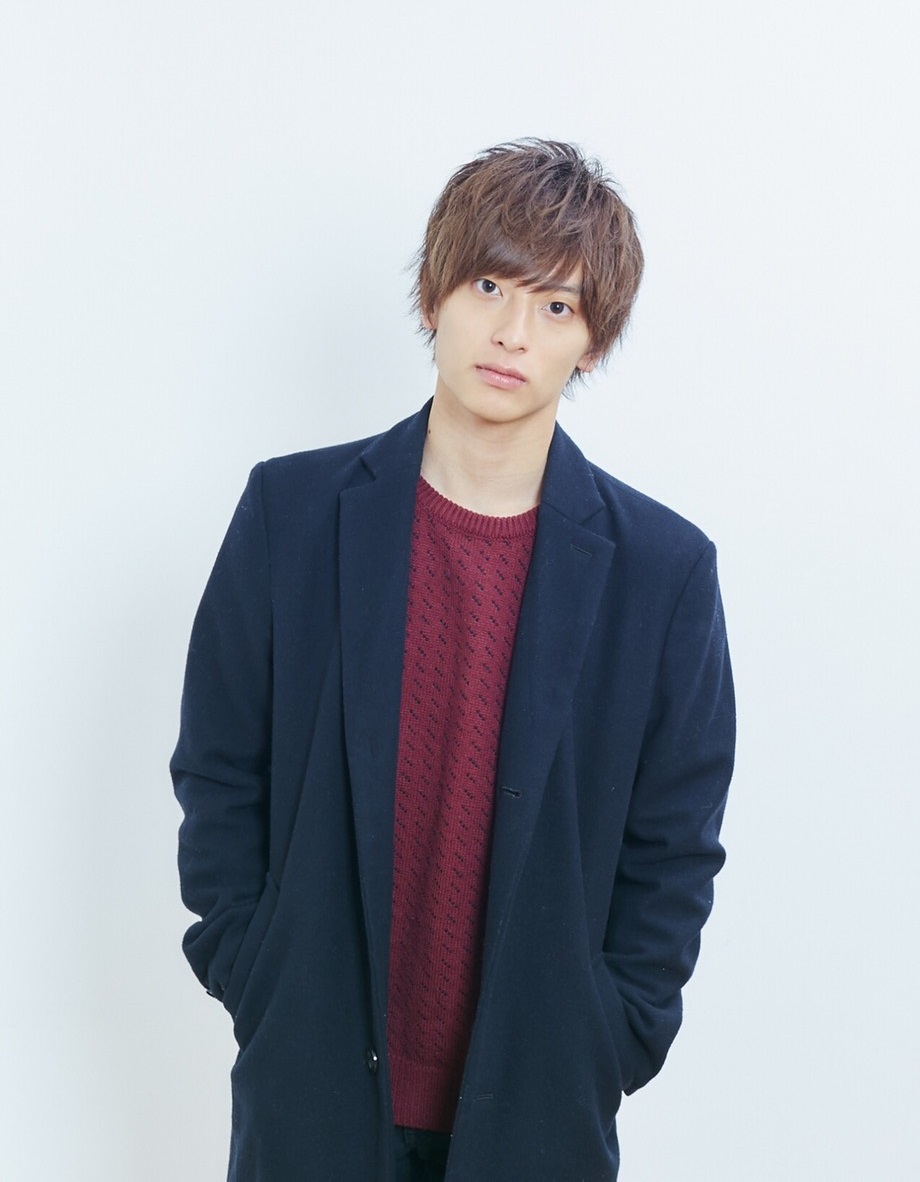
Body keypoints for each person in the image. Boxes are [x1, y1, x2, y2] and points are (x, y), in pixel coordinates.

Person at [171, 138, 735, 1181]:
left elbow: (674, 845)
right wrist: (251, 963)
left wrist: (613, 1029)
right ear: (435, 294)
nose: (513, 332)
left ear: (593, 344)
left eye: (557, 306)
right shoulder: (291, 514)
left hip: (540, 1095)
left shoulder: (662, 573)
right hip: (312, 1074)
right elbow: (218, 762)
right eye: (489, 286)